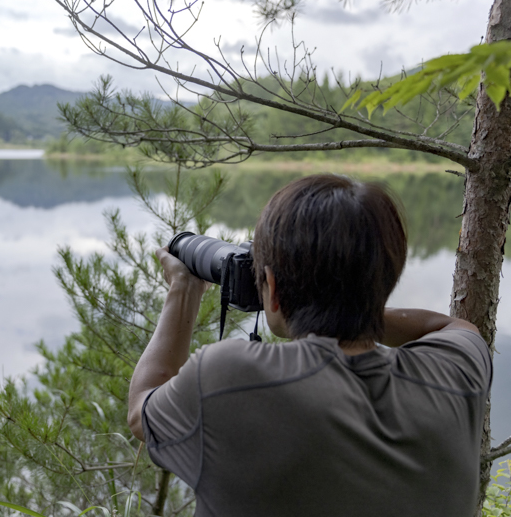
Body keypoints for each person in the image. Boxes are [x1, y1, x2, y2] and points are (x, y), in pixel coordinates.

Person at [127, 174, 492, 517]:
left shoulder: (230, 377)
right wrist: (354, 307)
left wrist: (183, 289)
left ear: (272, 288)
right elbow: (454, 326)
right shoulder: (458, 371)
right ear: (388, 277)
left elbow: (141, 409)